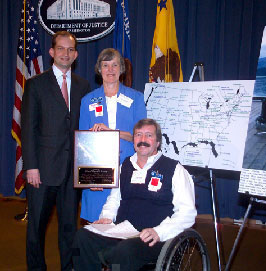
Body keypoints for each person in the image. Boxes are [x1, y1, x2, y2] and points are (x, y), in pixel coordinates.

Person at [72, 118, 197, 271]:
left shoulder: (174, 169)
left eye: (149, 135)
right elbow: (114, 199)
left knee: (123, 252)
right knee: (82, 237)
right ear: (133, 140)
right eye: (138, 135)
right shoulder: (125, 166)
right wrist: (107, 216)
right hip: (123, 231)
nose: (143, 140)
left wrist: (159, 231)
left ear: (158, 142)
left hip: (154, 237)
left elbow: (187, 213)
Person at [21, 31, 91, 270]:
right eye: (60, 49)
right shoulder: (35, 85)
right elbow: (28, 128)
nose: (65, 53)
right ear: (52, 52)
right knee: (36, 228)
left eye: (70, 50)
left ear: (76, 55)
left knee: (70, 227)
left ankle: (69, 267)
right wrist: (31, 166)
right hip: (41, 171)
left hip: (72, 171)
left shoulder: (84, 86)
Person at [79, 48, 147, 223]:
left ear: (122, 69)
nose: (110, 70)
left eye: (115, 65)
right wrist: (89, 178)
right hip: (98, 175)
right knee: (97, 229)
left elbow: (142, 138)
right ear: (99, 69)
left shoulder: (136, 98)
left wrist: (112, 133)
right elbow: (83, 144)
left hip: (130, 170)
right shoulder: (88, 101)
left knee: (127, 229)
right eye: (106, 65)